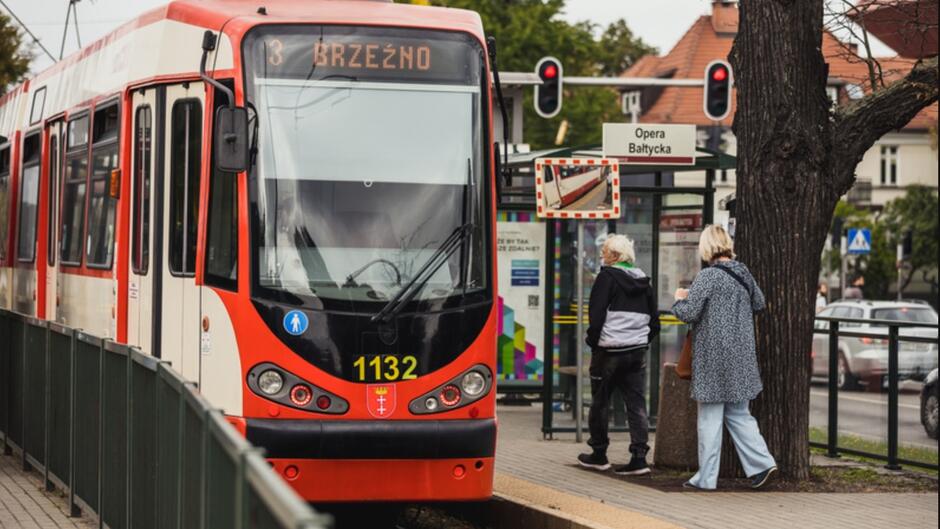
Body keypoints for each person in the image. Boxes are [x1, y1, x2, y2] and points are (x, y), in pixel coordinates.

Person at [672, 225, 777, 490]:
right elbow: (760, 303)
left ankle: (706, 479)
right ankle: (762, 464)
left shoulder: (708, 276)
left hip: (713, 357)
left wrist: (679, 299)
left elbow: (690, 312)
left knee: (709, 419)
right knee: (740, 414)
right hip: (741, 356)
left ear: (707, 247)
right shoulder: (743, 272)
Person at [577, 234, 659, 476]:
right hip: (636, 352)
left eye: (604, 251)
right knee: (636, 404)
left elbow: (597, 316)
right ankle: (639, 458)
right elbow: (654, 322)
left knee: (600, 402)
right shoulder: (644, 281)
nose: (601, 254)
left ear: (614, 255)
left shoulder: (606, 277)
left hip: (609, 352)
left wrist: (594, 342)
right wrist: (640, 342)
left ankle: (599, 454)